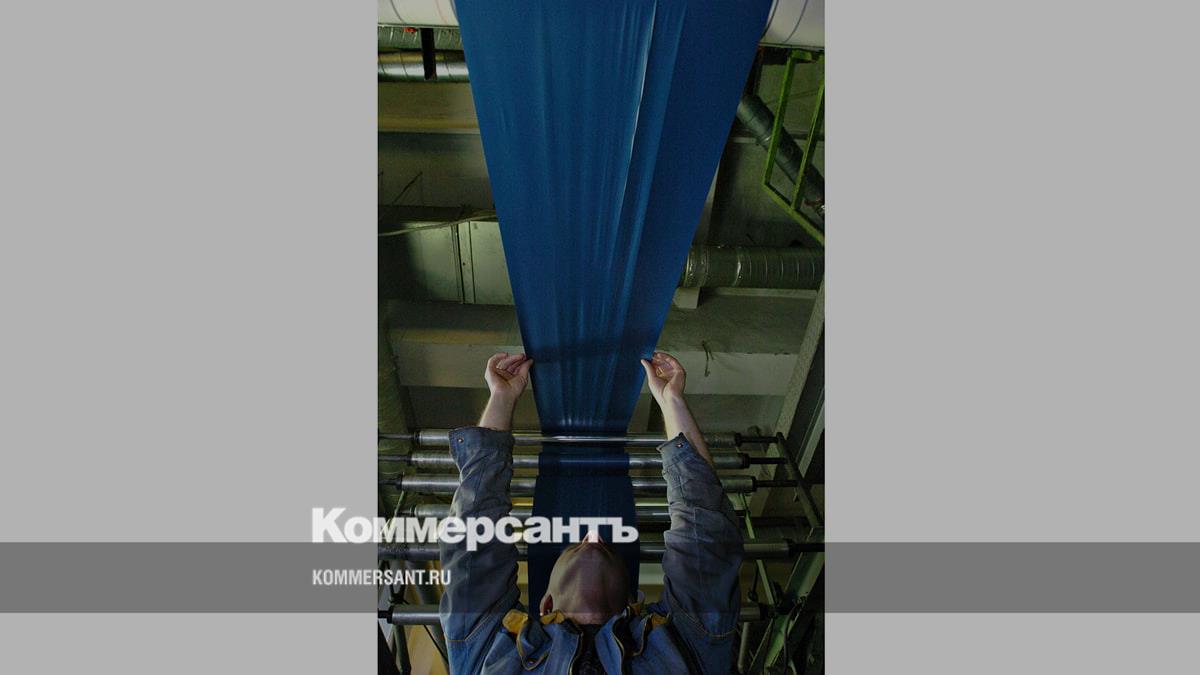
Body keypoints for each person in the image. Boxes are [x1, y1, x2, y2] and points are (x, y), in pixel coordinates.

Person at [438, 351, 744, 674]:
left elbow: (473, 548)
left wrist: (501, 400)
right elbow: (705, 540)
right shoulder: (685, 645)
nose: (593, 535)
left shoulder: (488, 654)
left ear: (546, 604)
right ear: (631, 601)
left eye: (577, 544)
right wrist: (673, 403)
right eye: (607, 546)